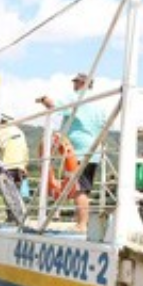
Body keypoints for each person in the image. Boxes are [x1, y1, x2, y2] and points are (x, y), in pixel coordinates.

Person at [37, 72, 106, 231]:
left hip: (79, 151)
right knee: (84, 188)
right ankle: (81, 222)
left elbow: (54, 105)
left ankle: (81, 225)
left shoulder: (77, 97)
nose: (73, 85)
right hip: (94, 150)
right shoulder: (99, 103)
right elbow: (104, 126)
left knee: (79, 189)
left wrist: (43, 99)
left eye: (75, 82)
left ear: (82, 83)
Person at [0, 115, 29, 192]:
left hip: (8, 165)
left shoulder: (3, 129)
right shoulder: (20, 132)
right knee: (16, 192)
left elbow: (1, 146)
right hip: (21, 166)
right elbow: (26, 151)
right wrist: (24, 166)